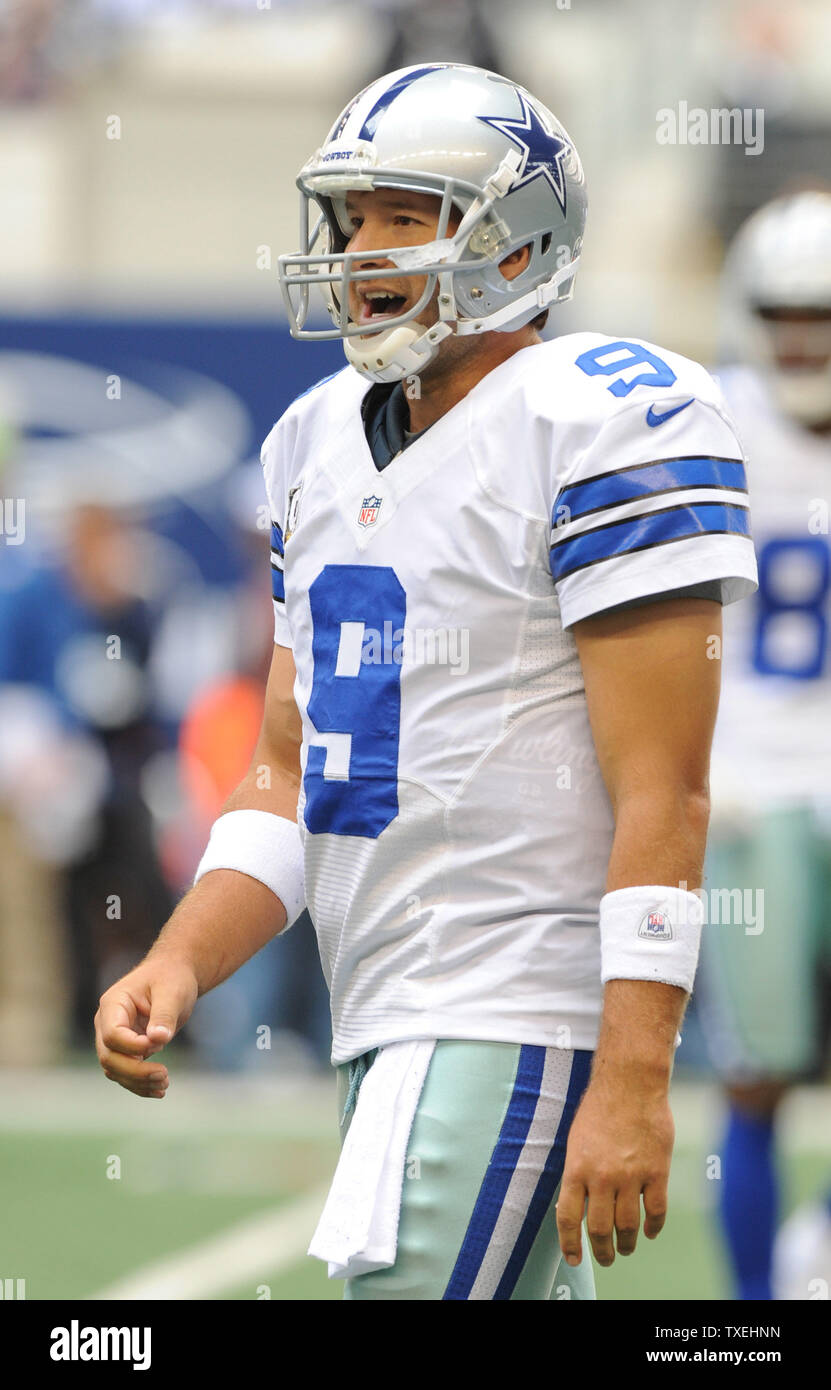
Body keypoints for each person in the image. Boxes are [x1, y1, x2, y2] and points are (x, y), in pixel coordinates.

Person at [95, 62, 757, 1301]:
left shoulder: (608, 416)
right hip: (388, 1008)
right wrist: (180, 959)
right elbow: (294, 770)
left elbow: (665, 795)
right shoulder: (309, 437)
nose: (363, 249)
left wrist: (634, 1076)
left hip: (517, 1006)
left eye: (407, 214)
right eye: (352, 218)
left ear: (518, 240)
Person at [696, 189, 831, 1301]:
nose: (805, 338)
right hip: (750, 783)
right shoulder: (711, 422)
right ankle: (754, 1315)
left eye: (822, 314)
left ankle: (809, 1249)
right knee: (755, 1075)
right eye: (788, 313)